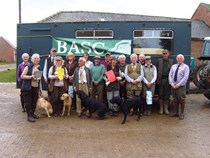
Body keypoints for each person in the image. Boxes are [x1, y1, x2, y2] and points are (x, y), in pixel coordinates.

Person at [21, 53, 42, 122]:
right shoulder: (28, 67)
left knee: (34, 101)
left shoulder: (39, 67)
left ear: (39, 60)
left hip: (35, 87)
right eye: (35, 58)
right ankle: (29, 116)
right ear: (32, 59)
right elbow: (22, 76)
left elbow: (39, 79)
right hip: (27, 88)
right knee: (28, 102)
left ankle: (32, 114)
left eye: (37, 58)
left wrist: (40, 89)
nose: (36, 59)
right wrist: (31, 77)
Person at [169, 54, 190, 120]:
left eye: (181, 58)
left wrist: (178, 85)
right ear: (176, 59)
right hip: (173, 86)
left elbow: (185, 77)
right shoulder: (173, 66)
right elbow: (170, 75)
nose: (179, 59)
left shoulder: (186, 67)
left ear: (183, 59)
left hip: (181, 86)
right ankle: (176, 112)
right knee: (175, 99)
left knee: (182, 99)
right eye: (178, 58)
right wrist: (172, 83)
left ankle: (182, 113)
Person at [157, 49, 173, 115]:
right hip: (161, 80)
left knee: (167, 94)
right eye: (164, 53)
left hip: (168, 80)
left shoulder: (171, 61)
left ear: (168, 54)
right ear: (162, 54)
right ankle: (161, 108)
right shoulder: (159, 61)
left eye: (166, 53)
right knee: (160, 94)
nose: (165, 55)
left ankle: (166, 108)